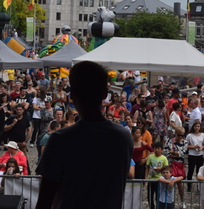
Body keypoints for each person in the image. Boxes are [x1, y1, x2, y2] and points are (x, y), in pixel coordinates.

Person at [36, 61, 133, 209]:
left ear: (72, 94)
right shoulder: (123, 137)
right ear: (105, 93)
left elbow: (44, 200)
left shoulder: (60, 139)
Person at [163, 126, 187, 205]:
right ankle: (170, 201)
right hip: (171, 165)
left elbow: (182, 154)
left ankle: (182, 201)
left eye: (182, 135)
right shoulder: (169, 141)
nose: (180, 137)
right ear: (175, 134)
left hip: (180, 165)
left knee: (180, 184)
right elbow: (166, 152)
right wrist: (176, 154)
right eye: (178, 135)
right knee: (170, 183)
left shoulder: (185, 142)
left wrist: (173, 153)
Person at [146, 141, 169, 209]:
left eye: (158, 148)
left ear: (161, 150)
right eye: (155, 148)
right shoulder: (150, 157)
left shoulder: (164, 158)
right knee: (150, 196)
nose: (156, 150)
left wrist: (160, 169)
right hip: (151, 179)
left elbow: (166, 168)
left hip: (160, 180)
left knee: (158, 196)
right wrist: (146, 177)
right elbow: (147, 167)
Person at [186, 120, 204, 190]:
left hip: (200, 154)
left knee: (199, 170)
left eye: (198, 126)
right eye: (196, 126)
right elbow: (186, 145)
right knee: (191, 170)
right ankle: (189, 186)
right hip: (192, 154)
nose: (197, 128)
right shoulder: (189, 135)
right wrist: (194, 147)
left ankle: (199, 186)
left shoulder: (203, 135)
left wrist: (202, 147)